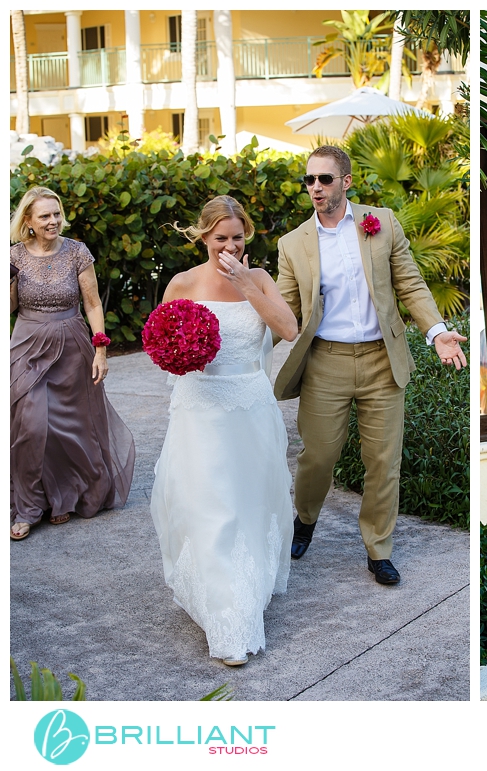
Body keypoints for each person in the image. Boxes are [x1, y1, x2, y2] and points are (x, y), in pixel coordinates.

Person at [273, 146, 468, 584]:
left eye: (325, 179)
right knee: (317, 457)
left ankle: (379, 548)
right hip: (326, 362)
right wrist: (241, 345)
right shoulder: (292, 244)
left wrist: (436, 332)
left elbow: (410, 282)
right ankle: (305, 518)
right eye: (309, 180)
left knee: (383, 461)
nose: (315, 187)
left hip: (382, 359)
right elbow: (285, 310)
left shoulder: (381, 223)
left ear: (346, 182)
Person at [150, 195, 298, 666]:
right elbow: (160, 343)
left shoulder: (260, 279)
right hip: (200, 411)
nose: (229, 246)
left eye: (237, 238)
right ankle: (228, 623)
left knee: (247, 505)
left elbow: (289, 329)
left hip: (250, 408)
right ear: (203, 236)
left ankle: (246, 594)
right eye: (220, 239)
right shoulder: (183, 282)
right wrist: (180, 357)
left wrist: (247, 286)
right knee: (211, 509)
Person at [10, 186, 135, 541]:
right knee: (30, 424)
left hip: (71, 344)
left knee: (70, 425)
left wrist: (101, 350)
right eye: (44, 216)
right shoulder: (14, 256)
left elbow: (92, 303)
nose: (53, 221)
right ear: (28, 221)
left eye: (57, 214)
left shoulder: (77, 252)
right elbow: (10, 308)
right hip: (28, 344)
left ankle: (63, 495)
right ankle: (29, 506)